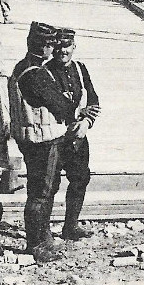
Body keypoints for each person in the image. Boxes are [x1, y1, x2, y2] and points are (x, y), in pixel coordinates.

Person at [8, 22, 66, 262]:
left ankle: (43, 234)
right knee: (41, 191)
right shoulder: (34, 73)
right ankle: (36, 243)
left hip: (33, 135)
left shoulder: (25, 67)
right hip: (40, 137)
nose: (54, 50)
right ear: (43, 47)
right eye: (51, 45)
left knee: (45, 188)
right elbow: (58, 103)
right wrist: (78, 112)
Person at [44, 28, 101, 241]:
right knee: (50, 185)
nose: (62, 51)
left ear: (74, 47)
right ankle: (44, 231)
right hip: (55, 136)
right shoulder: (45, 71)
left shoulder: (80, 69)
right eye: (58, 47)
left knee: (80, 178)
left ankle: (71, 226)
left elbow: (93, 100)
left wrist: (87, 122)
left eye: (66, 46)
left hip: (77, 135)